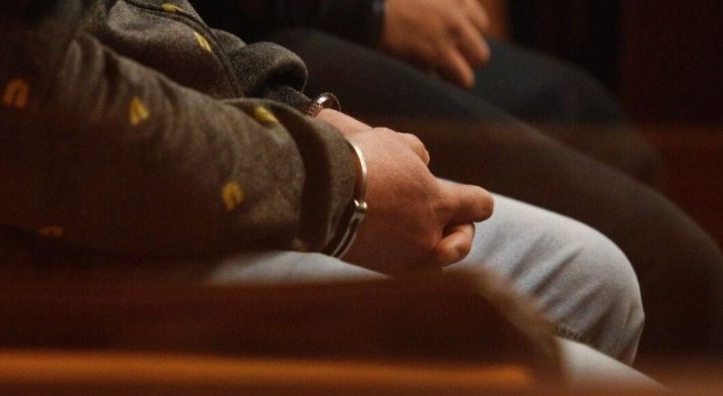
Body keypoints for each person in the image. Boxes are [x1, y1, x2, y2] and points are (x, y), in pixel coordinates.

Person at [0, 0, 651, 382]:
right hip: (22, 249)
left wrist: (296, 109)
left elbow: (114, 17)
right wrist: (341, 183)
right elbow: (31, 104)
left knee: (596, 279)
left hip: (154, 139)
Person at [191, 0, 723, 359]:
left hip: (251, 59)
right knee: (667, 266)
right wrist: (366, 14)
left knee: (593, 126)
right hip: (264, 46)